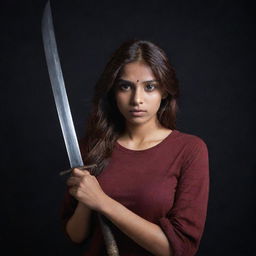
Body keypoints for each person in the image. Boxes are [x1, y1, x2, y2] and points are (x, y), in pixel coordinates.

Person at [61, 39, 210, 256]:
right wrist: (86, 201)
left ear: (165, 91)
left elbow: (179, 248)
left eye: (149, 87)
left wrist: (102, 201)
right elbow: (76, 236)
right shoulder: (92, 146)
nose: (136, 99)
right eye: (125, 86)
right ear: (113, 91)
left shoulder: (190, 150)